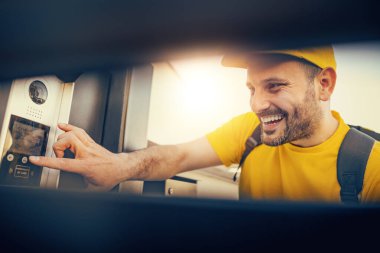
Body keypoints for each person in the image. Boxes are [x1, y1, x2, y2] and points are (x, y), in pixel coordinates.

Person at [29, 46, 380, 202]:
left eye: (275, 86)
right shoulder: (249, 131)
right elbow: (178, 157)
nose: (257, 104)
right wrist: (116, 166)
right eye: (252, 88)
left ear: (324, 84)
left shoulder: (371, 166)